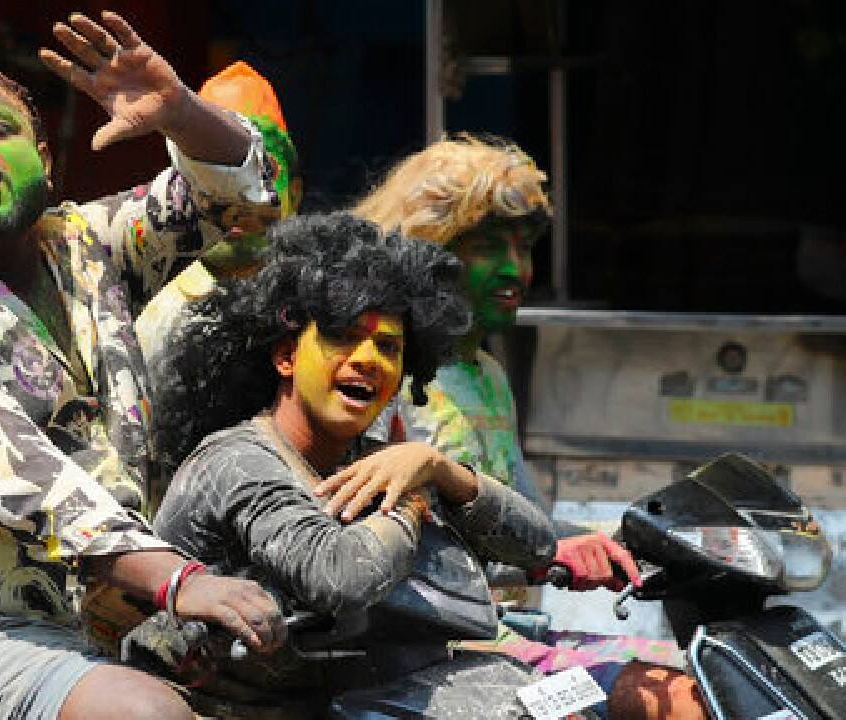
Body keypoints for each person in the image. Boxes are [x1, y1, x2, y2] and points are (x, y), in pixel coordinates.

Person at [0, 11, 285, 720]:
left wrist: (180, 113)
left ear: (45, 160)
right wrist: (179, 582)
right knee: (146, 716)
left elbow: (236, 193)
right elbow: (25, 478)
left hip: (96, 622)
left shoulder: (84, 246)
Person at [351, 133, 704, 718]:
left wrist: (646, 540)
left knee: (704, 681)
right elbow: (405, 559)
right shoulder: (388, 376)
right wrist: (549, 552)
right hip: (441, 656)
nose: (516, 269)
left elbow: (530, 518)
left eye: (524, 247)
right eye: (489, 248)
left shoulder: (487, 375)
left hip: (513, 631)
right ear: (428, 253)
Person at [151, 212, 559, 707]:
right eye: (342, 335)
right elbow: (341, 577)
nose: (368, 358)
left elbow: (539, 547)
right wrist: (409, 502)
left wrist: (443, 470)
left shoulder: (379, 462)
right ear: (286, 356)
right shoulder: (236, 461)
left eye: (388, 347)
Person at [135, 59, 302, 503]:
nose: (240, 200)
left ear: (296, 193)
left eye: (264, 173)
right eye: (216, 183)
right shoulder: (141, 305)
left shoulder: (320, 312)